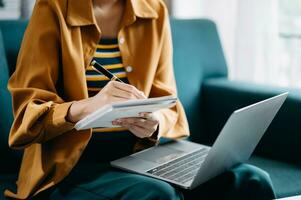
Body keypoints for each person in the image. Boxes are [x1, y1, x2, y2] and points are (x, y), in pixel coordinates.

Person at [5, 0, 276, 199]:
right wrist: (87, 106)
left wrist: (154, 124)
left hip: (142, 155)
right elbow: (25, 119)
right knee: (157, 195)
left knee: (252, 179)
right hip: (72, 165)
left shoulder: (154, 10)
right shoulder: (52, 8)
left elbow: (170, 105)